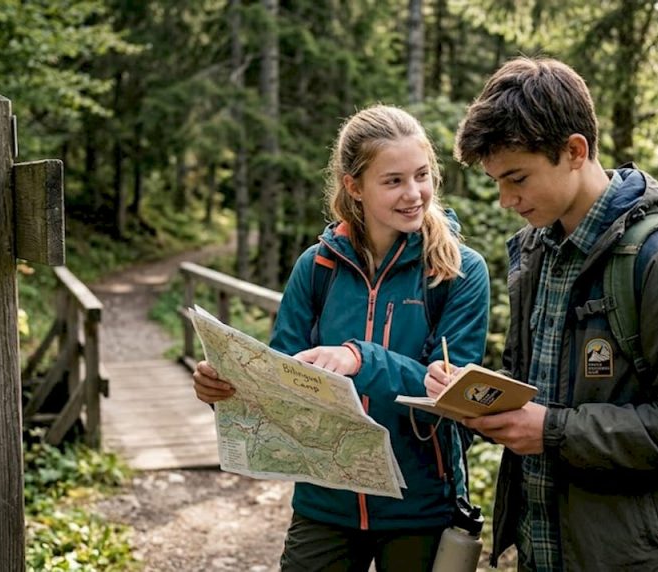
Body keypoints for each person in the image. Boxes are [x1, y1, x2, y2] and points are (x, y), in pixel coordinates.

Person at [424, 56, 658, 570]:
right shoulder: (537, 252)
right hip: (544, 550)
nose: (505, 199)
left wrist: (551, 430)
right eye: (497, 181)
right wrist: (473, 394)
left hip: (638, 558)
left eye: (517, 178)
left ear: (574, 151)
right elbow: (542, 394)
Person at [193, 104, 491, 571]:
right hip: (324, 503)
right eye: (393, 181)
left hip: (420, 506)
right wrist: (226, 387)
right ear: (354, 186)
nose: (414, 194)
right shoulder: (317, 267)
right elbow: (283, 379)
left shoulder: (459, 270)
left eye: (422, 175)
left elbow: (457, 397)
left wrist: (361, 358)